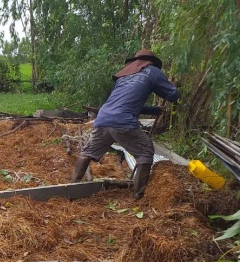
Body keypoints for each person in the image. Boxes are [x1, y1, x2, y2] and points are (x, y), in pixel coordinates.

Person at [71, 49, 180, 199]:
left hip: (103, 118)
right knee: (145, 152)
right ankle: (139, 194)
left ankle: (72, 185)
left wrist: (154, 110)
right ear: (151, 62)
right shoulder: (153, 71)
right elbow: (172, 95)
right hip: (123, 121)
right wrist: (173, 87)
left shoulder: (124, 76)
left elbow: (125, 103)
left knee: (87, 152)